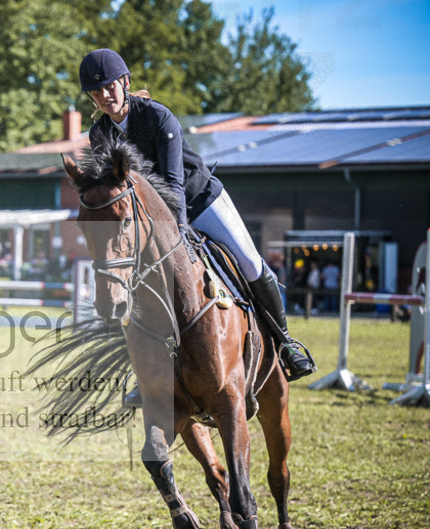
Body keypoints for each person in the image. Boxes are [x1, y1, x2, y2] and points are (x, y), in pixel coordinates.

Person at [79, 48, 315, 384]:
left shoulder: (158, 117)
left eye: (110, 86)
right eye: (96, 91)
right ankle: (147, 375)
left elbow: (173, 183)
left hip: (200, 200)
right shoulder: (99, 134)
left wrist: (176, 230)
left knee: (249, 263)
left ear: (125, 83)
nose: (105, 95)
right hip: (149, 220)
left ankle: (286, 342)